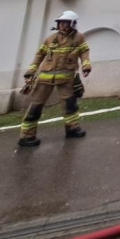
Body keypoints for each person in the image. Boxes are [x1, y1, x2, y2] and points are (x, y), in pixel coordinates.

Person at [18, 10, 91, 147]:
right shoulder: (50, 39)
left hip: (67, 78)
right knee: (36, 105)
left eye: (65, 23)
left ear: (72, 24)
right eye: (60, 23)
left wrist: (86, 66)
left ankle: (72, 128)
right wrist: (31, 71)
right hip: (45, 78)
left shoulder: (79, 38)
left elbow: (84, 52)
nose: (62, 26)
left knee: (70, 104)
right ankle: (27, 136)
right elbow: (39, 55)